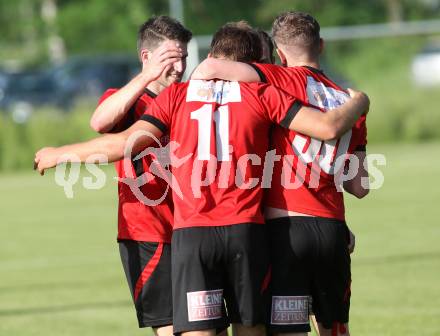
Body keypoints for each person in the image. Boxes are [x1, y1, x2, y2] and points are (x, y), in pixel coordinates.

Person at [34, 22, 369, 336]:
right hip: (246, 233)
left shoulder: (176, 97)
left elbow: (125, 143)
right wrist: (359, 103)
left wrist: (59, 153)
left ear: (213, 56)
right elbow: (309, 146)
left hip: (192, 237)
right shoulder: (263, 97)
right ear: (253, 64)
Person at [191, 11, 369, 336]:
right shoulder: (348, 103)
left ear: (281, 54)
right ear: (322, 46)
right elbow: (359, 186)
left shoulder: (281, 79)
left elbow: (210, 68)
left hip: (286, 230)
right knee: (336, 328)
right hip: (332, 228)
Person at [92, 16, 191, 336]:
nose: (179, 68)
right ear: (146, 57)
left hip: (196, 232)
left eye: (184, 59)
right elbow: (100, 122)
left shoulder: (189, 99)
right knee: (170, 328)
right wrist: (146, 77)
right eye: (170, 60)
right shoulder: (128, 101)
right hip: (147, 232)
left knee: (210, 328)